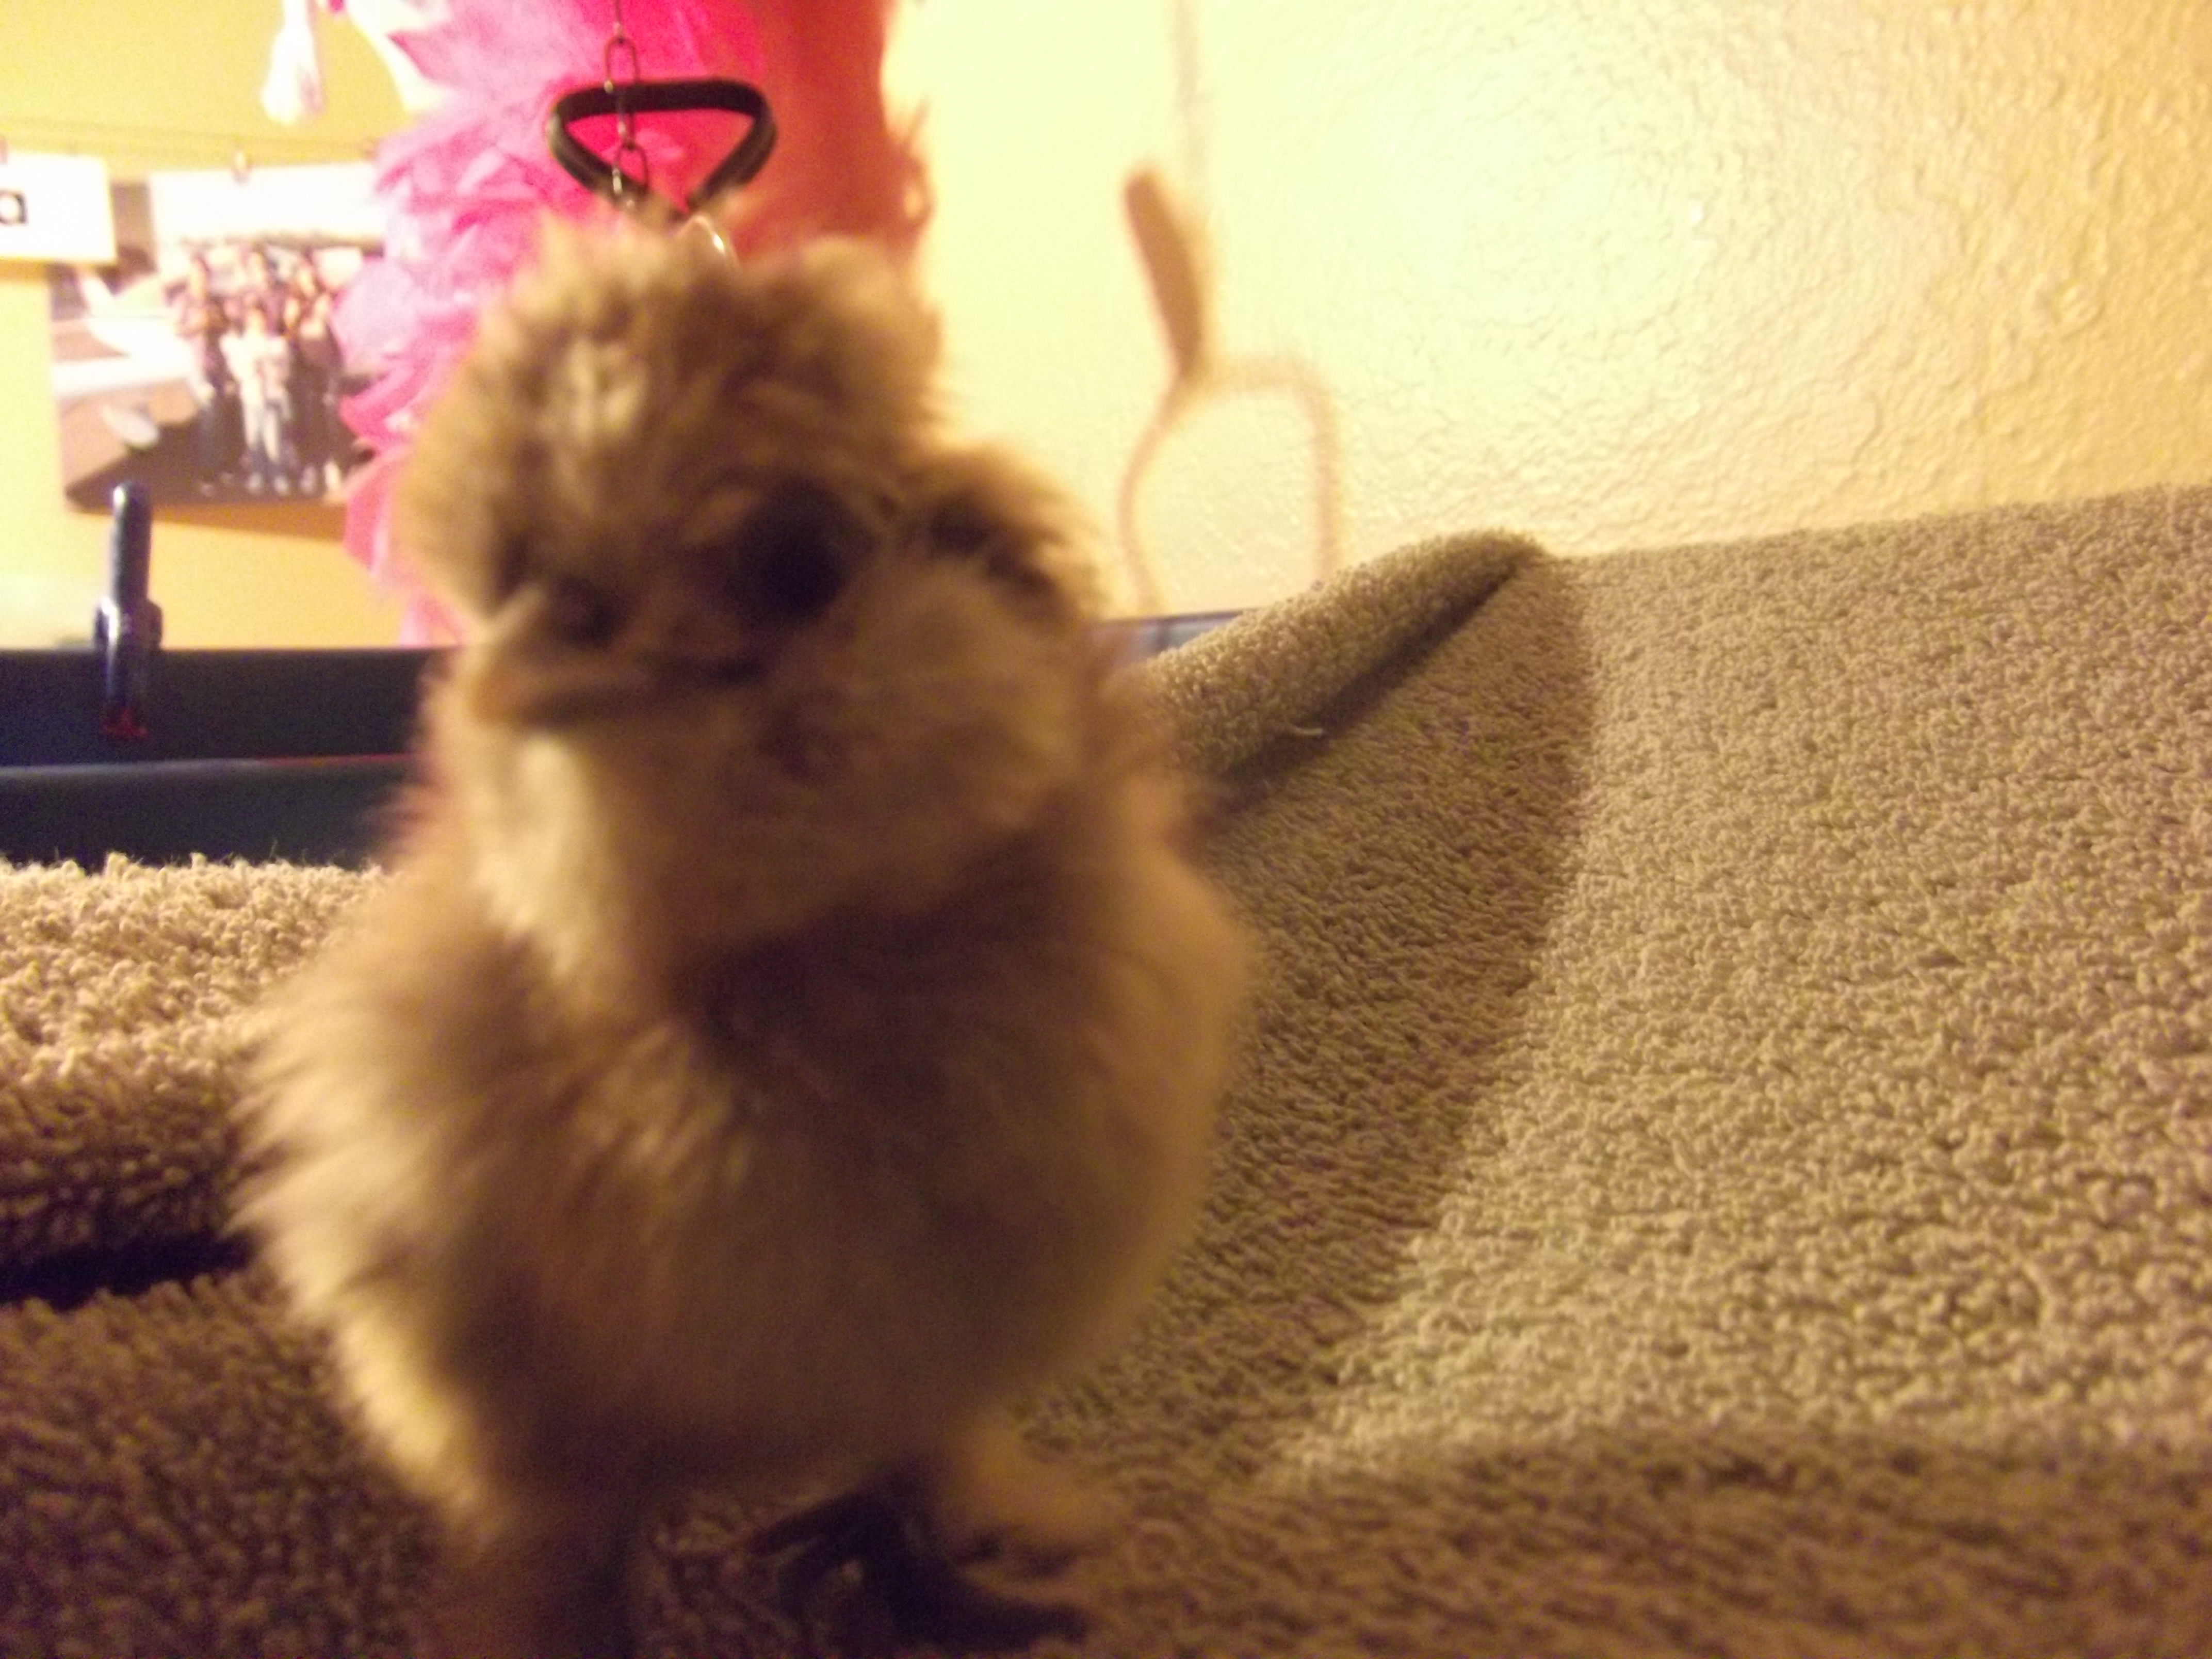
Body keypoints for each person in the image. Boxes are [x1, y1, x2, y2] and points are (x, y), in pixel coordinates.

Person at [171, 251, 240, 491]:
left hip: (218, 363)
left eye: (204, 274)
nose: (201, 279)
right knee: (208, 416)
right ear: (190, 277)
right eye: (197, 274)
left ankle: (223, 466)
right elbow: (176, 330)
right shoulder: (184, 301)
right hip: (197, 366)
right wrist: (197, 325)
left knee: (222, 415)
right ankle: (207, 474)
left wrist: (215, 322)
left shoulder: (214, 301)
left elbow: (226, 326)